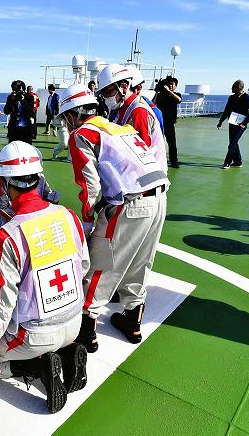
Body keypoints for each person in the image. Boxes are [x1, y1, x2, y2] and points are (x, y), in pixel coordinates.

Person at [0, 141, 89, 414]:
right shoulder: (68, 216)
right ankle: (66, 352)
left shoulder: (9, 235)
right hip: (75, 324)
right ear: (39, 179)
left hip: (34, 335)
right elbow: (83, 267)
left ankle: (38, 367)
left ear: (3, 184)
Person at [58, 84, 168, 351]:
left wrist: (86, 223)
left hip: (128, 204)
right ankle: (133, 320)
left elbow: (89, 186)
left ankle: (87, 330)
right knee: (141, 261)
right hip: (160, 197)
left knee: (101, 265)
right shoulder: (122, 128)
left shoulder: (82, 135)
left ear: (73, 113)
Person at [96, 63, 169, 176]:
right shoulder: (120, 108)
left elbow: (142, 157)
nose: (106, 98)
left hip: (146, 183)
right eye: (103, 94)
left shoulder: (138, 112)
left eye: (108, 92)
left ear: (124, 87)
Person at [217, 80, 249, 169]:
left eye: (233, 87)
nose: (231, 89)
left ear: (238, 88)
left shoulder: (247, 99)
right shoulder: (231, 98)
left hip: (240, 125)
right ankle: (238, 162)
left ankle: (227, 162)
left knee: (232, 144)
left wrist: (244, 123)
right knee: (233, 142)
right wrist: (221, 121)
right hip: (232, 123)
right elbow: (227, 110)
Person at [154, 76, 182, 168]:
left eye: (172, 84)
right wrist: (157, 92)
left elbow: (179, 100)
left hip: (169, 123)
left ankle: (174, 162)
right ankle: (157, 160)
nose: (170, 86)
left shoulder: (177, 94)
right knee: (157, 142)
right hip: (159, 122)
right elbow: (153, 104)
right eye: (168, 84)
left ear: (175, 86)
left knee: (172, 143)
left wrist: (169, 91)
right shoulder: (161, 95)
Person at [4, 79, 34, 144]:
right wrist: (11, 100)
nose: (15, 91)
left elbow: (31, 112)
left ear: (22, 89)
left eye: (16, 89)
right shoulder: (11, 97)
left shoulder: (29, 97)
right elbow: (6, 111)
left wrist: (23, 100)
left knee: (27, 148)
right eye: (13, 89)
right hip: (14, 128)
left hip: (26, 128)